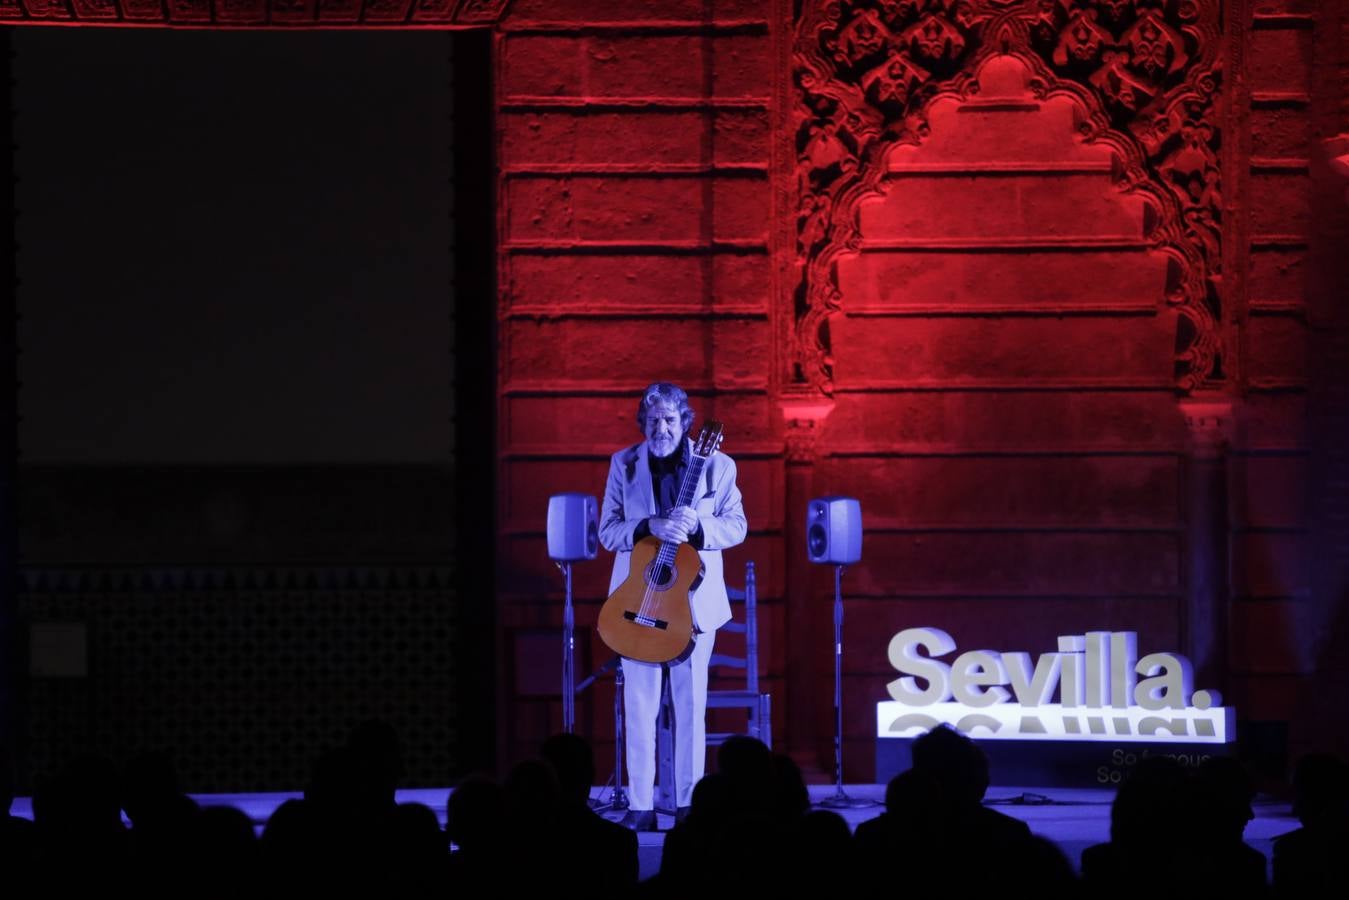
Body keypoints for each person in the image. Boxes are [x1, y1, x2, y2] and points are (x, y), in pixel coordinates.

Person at [598, 382, 747, 831]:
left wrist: (697, 527)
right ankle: (641, 806)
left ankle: (687, 804)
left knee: (689, 704)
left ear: (686, 422)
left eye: (669, 419)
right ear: (642, 423)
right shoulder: (623, 465)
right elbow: (608, 531)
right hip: (637, 599)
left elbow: (736, 526)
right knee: (638, 704)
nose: (661, 428)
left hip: (692, 605)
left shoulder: (717, 466)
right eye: (652, 420)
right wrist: (648, 525)